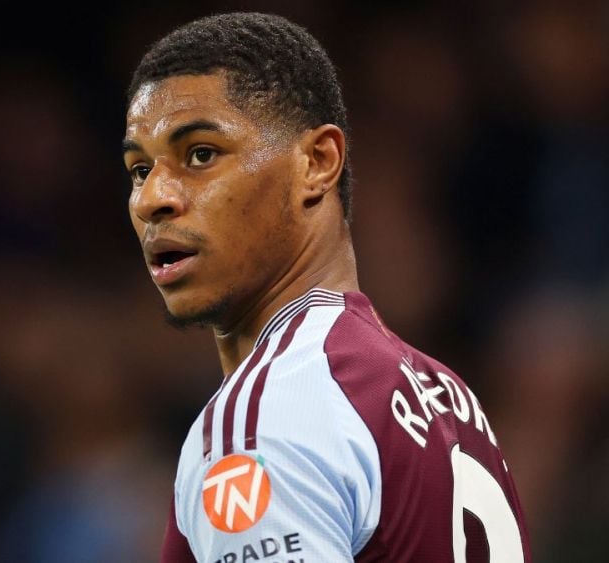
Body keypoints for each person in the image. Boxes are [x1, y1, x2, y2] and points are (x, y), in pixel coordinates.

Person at [121, 12, 531, 562]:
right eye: (139, 170)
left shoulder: (264, 419)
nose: (152, 199)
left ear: (318, 162)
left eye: (201, 155)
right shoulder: (444, 396)